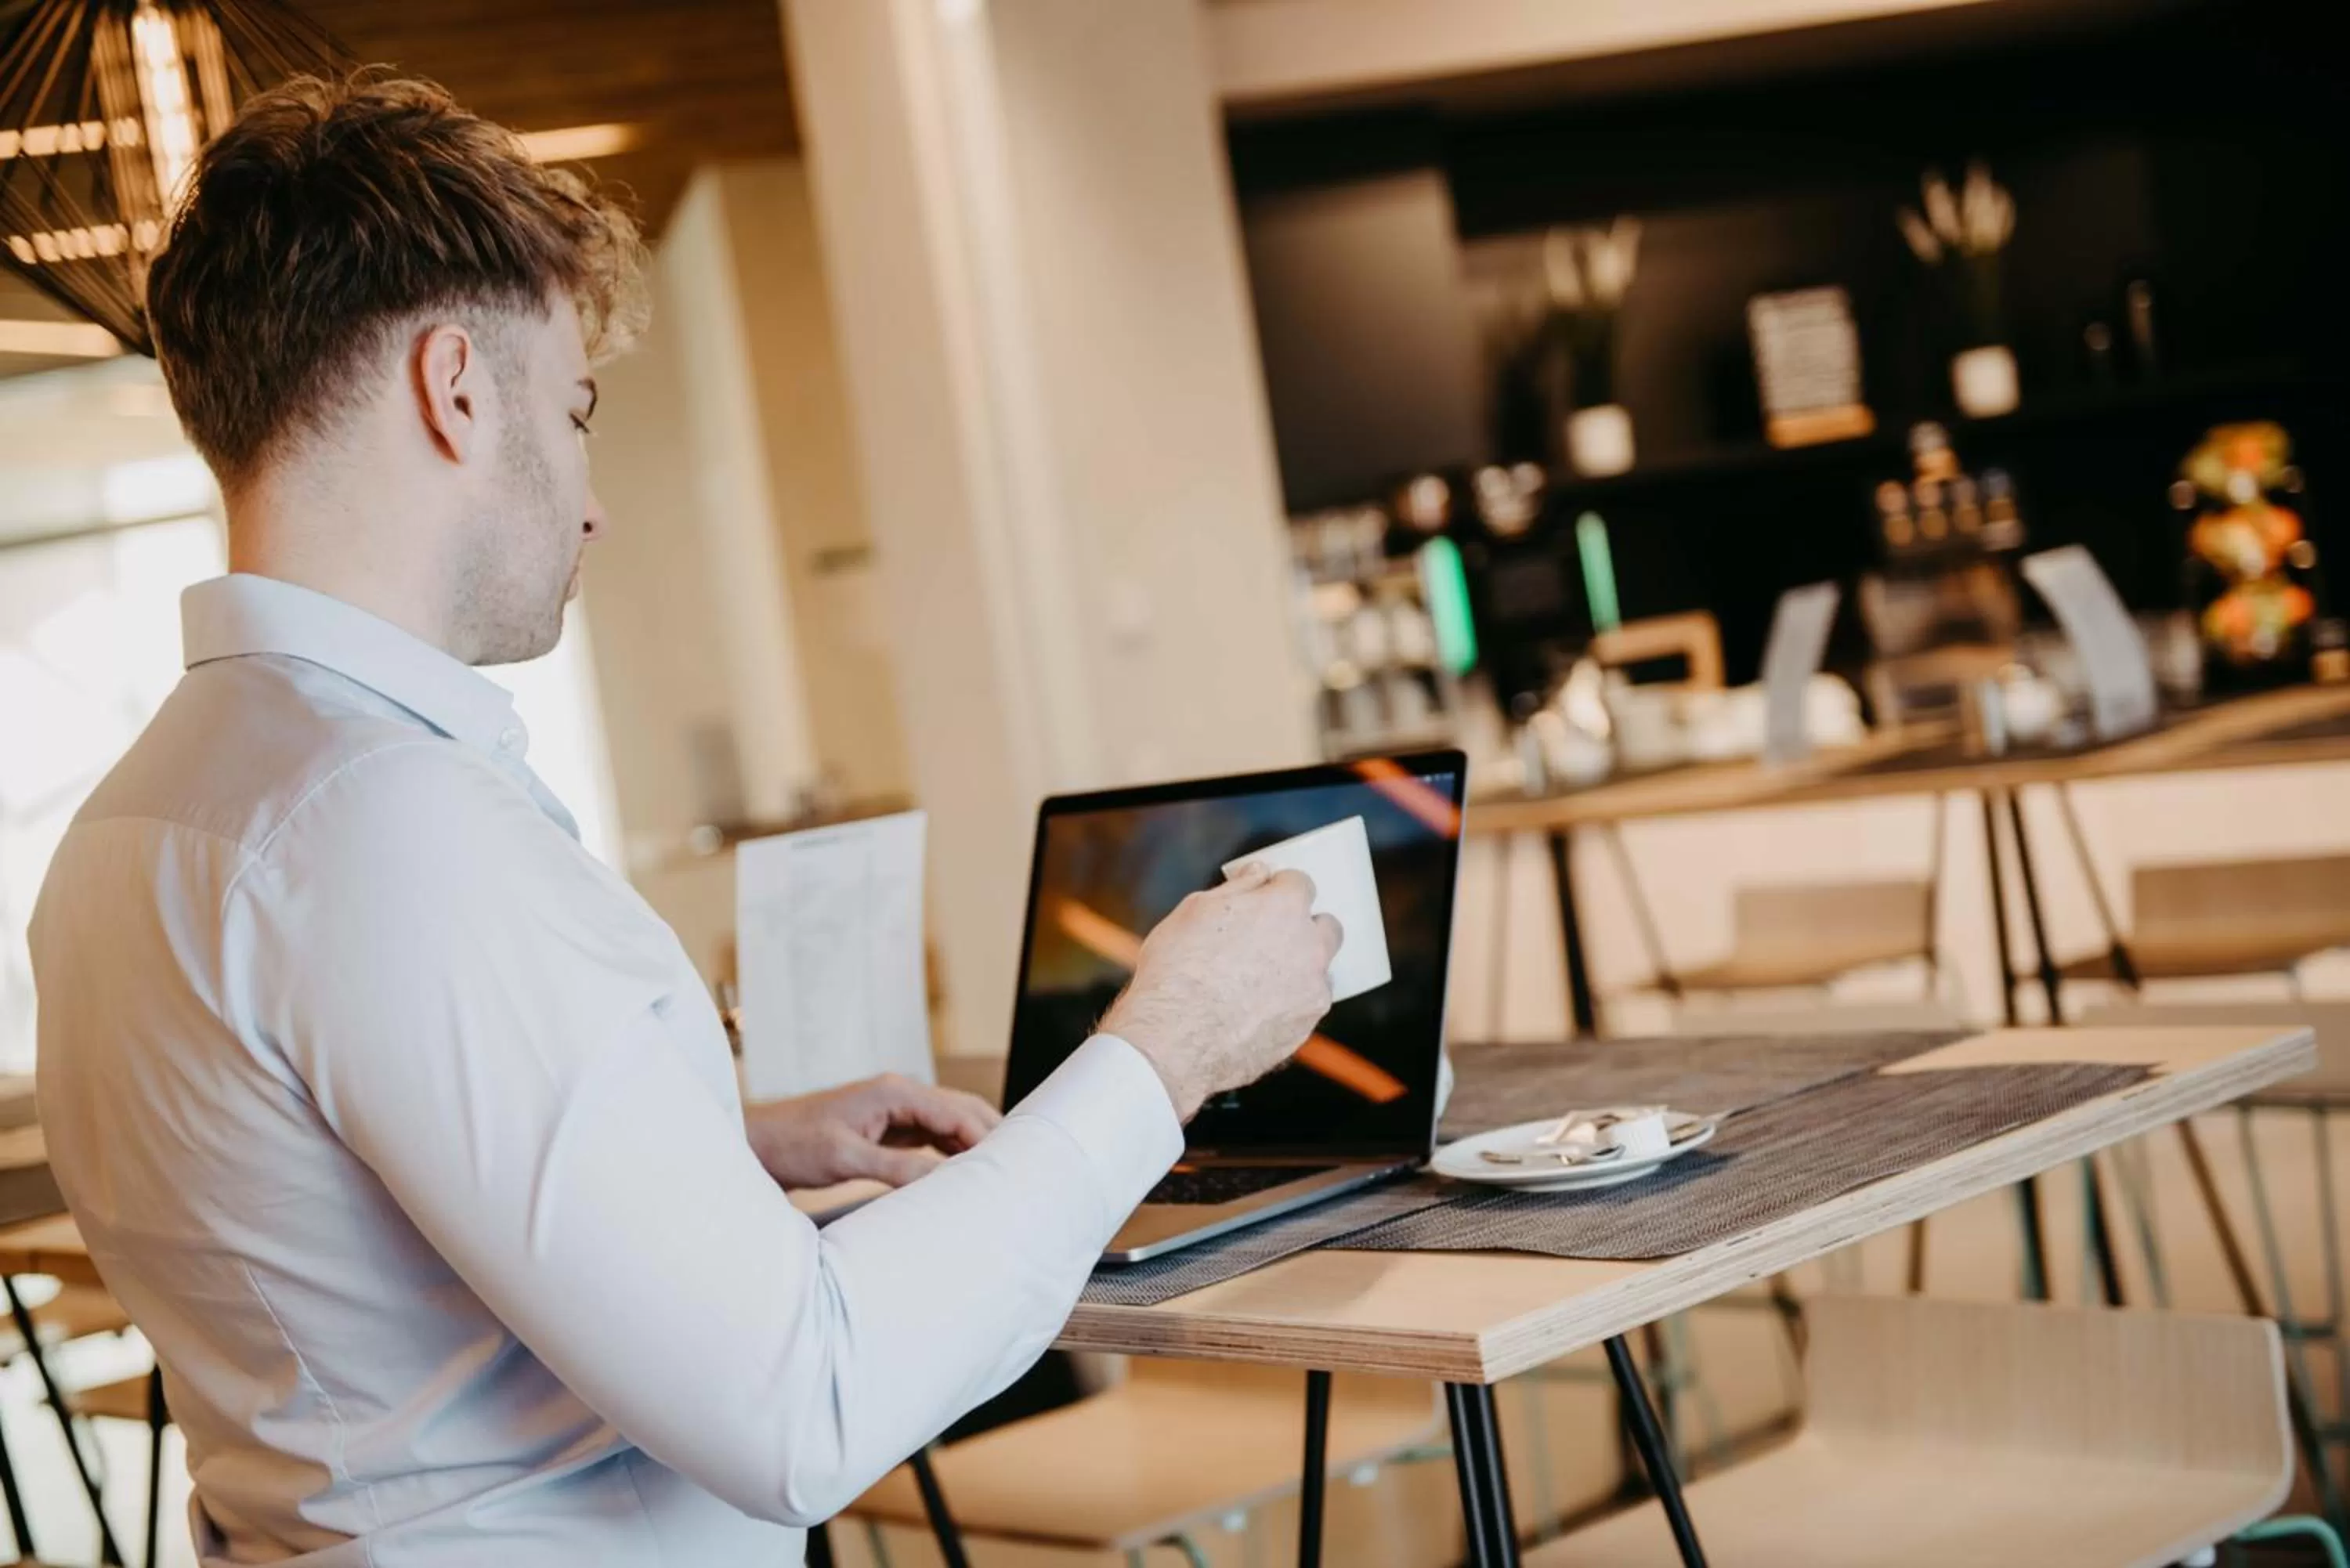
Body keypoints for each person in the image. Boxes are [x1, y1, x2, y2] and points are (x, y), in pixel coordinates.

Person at [30, 74, 1339, 1566]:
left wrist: (710, 1140)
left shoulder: (126, 829)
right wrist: (1167, 1047)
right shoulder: (393, 825)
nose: (592, 499)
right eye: (575, 408)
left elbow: (339, 1225)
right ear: (454, 387)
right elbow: (807, 1399)